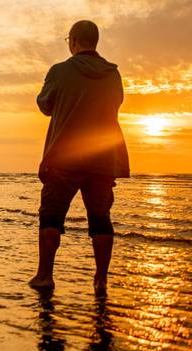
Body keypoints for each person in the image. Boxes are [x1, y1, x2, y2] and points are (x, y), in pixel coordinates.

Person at [29, 20, 129, 295]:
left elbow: (45, 105)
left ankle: (45, 276)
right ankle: (100, 280)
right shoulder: (113, 75)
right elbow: (116, 103)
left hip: (65, 155)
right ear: (94, 42)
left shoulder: (60, 71)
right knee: (100, 218)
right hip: (103, 156)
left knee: (51, 216)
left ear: (73, 41)